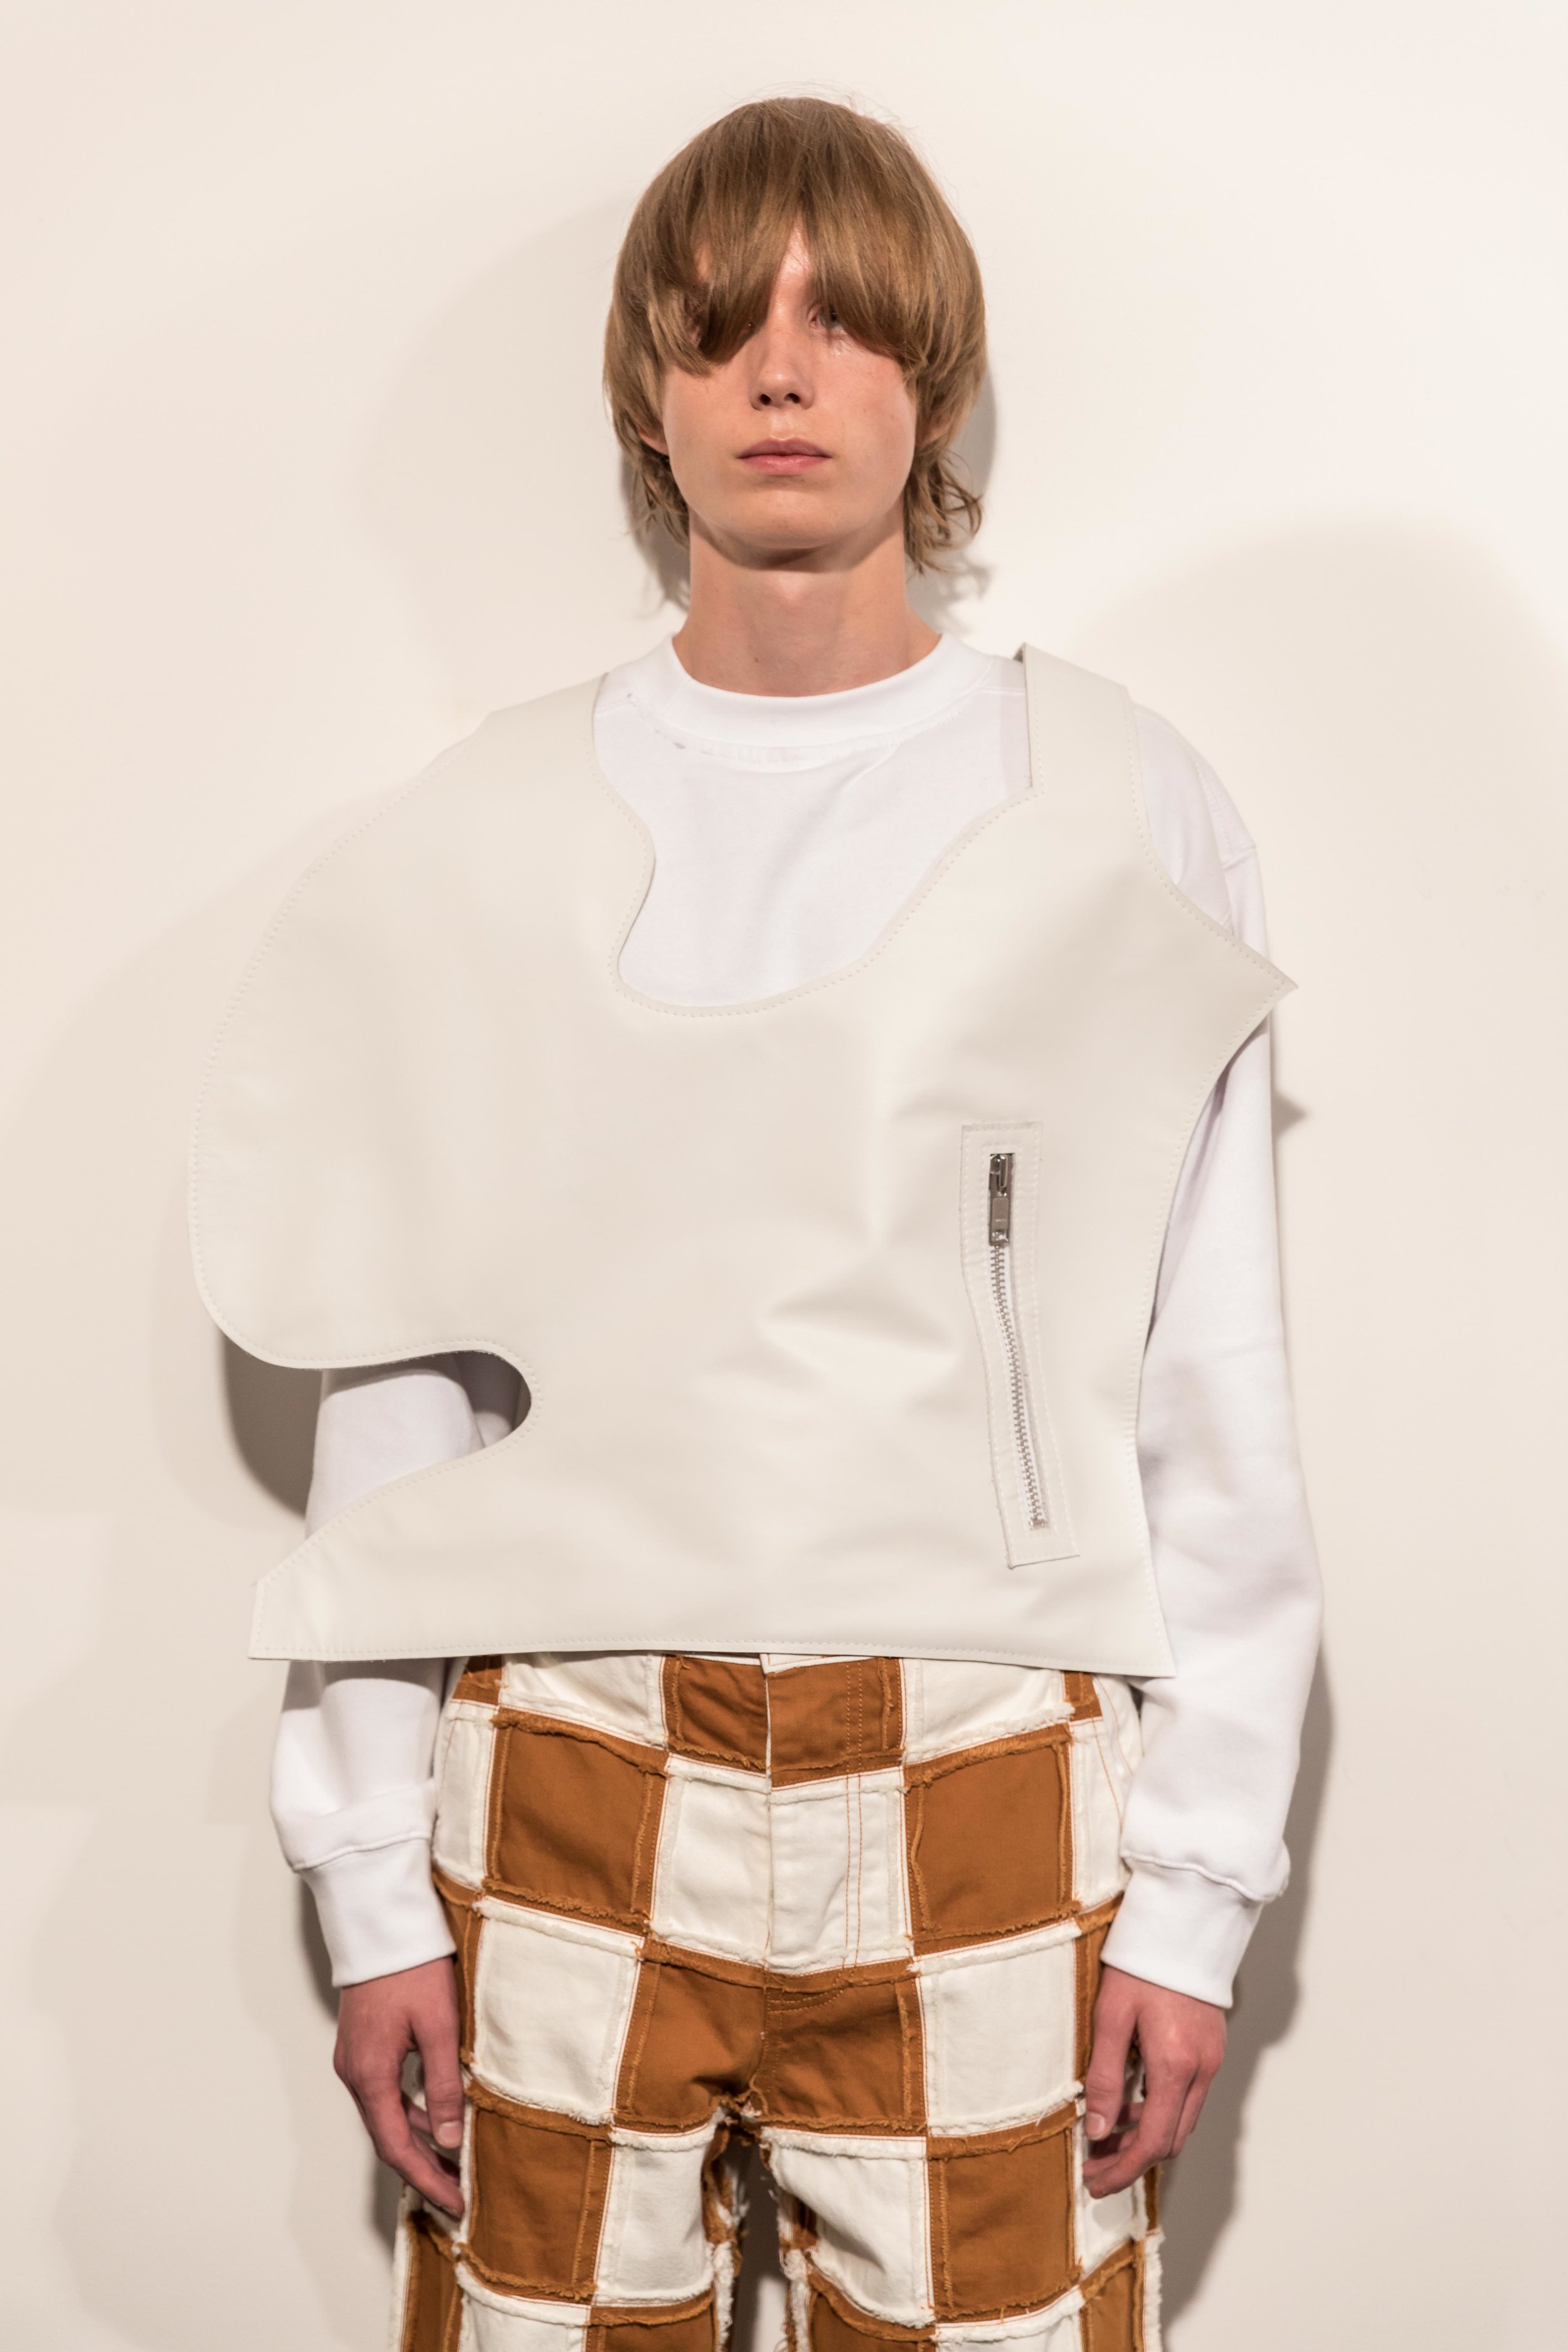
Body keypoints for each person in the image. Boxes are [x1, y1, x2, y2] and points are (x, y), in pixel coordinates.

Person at [193, 96, 1320, 2352]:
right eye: (720, 327)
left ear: (934, 372)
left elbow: (1207, 1361)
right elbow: (404, 1376)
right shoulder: (489, 825)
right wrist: (368, 1876)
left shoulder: (1112, 794)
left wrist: (1195, 1888)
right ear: (648, 386)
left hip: (986, 1738)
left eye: (844, 322)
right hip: (563, 1733)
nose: (781, 375)